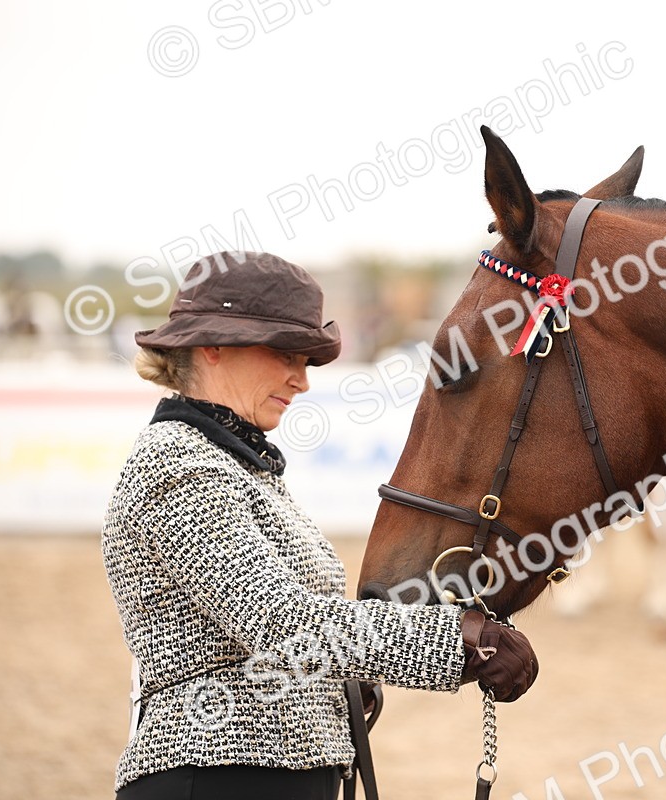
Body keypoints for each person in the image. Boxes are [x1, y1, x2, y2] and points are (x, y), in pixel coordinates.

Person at [103, 251, 539, 800]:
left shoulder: (233, 463)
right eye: (287, 354)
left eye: (306, 360)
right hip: (215, 775)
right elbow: (282, 622)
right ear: (212, 346)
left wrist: (340, 684)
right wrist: (459, 641)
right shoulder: (179, 466)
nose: (301, 380)